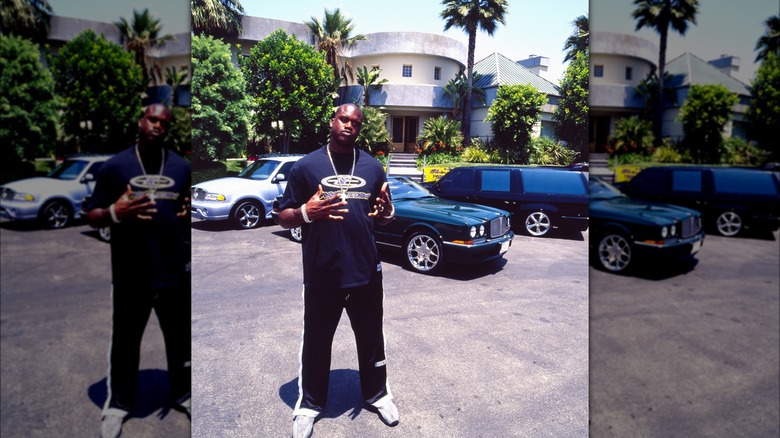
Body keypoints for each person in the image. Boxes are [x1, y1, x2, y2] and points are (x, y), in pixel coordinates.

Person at [278, 103, 399, 438]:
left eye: (356, 123)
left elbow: (383, 216)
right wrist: (306, 211)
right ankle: (309, 404)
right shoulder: (306, 167)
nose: (350, 126)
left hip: (366, 272)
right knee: (316, 342)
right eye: (344, 119)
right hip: (322, 273)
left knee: (372, 339)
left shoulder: (374, 167)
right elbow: (283, 215)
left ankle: (379, 394)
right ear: (332, 121)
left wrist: (388, 212)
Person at [86, 103, 191, 438]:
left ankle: (182, 393)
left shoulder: (181, 167)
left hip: (174, 273)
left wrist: (184, 217)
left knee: (179, 341)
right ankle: (118, 403)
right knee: (126, 343)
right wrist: (115, 212)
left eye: (164, 122)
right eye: (152, 119)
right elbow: (91, 215)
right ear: (141, 121)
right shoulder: (115, 167)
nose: (158, 125)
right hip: (132, 274)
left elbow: (185, 212)